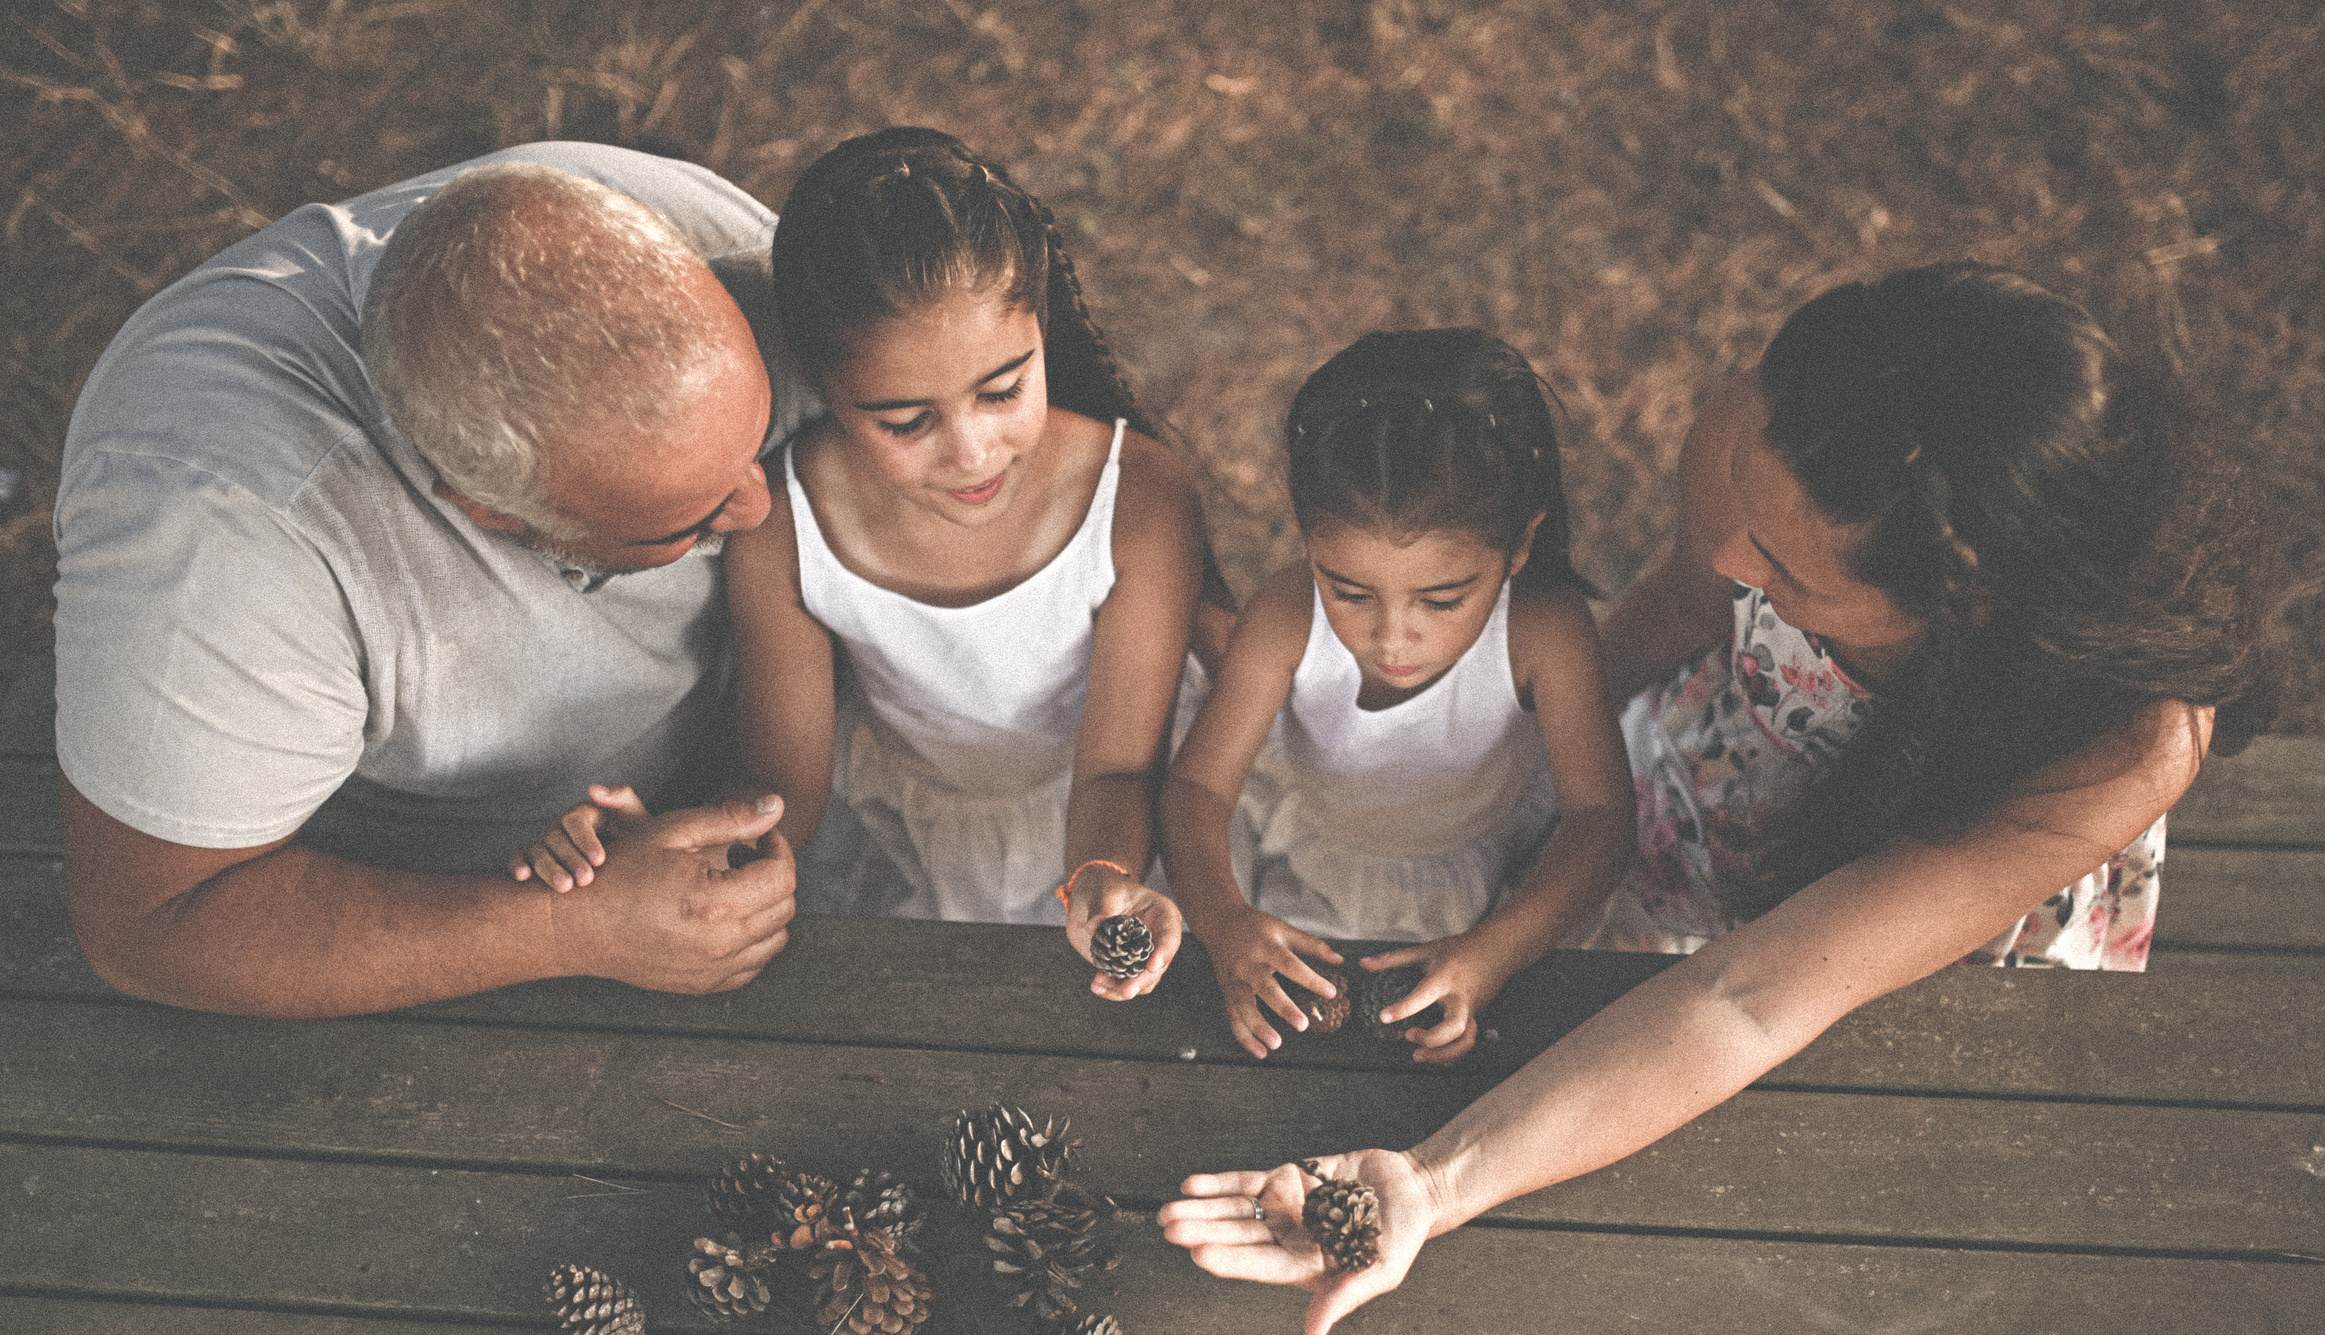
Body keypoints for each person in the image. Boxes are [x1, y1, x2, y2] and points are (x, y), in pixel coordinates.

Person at [1161, 263, 2282, 1335]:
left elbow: (1748, 999)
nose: (1738, 562)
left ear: (1966, 603)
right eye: (1746, 511)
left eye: (1791, 575)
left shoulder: (2118, 747)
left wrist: (1439, 1179)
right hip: (1717, 781)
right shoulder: (1770, 427)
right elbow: (1683, 603)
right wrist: (1520, 735)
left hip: (1931, 922)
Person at [52, 142, 822, 1018]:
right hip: (427, 884)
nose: (762, 508)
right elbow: (150, 924)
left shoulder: (726, 254)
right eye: (691, 521)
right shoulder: (220, 543)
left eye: (757, 440)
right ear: (485, 510)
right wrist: (570, 929)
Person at [516, 129, 1210, 1000]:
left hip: (1117, 815)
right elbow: (784, 785)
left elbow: (1116, 771)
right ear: (823, 387)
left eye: (1003, 390)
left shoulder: (1139, 498)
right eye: (907, 421)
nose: (971, 452)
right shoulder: (786, 521)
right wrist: (684, 846)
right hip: (904, 820)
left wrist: (1102, 878)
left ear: (1042, 327)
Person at [1162, 329, 1635, 1063]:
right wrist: (1225, 923)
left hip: (1496, 885)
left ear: (1520, 544)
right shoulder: (1285, 617)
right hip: (1318, 852)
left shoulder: (1545, 630)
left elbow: (1601, 819)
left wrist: (1493, 953)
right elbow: (1197, 787)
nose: (1390, 639)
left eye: (1441, 601)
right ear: (1309, 542)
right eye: (1349, 592)